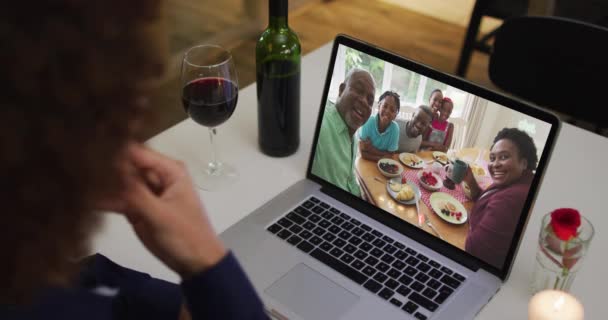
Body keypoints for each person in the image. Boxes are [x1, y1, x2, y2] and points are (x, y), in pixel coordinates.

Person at [0, 1, 267, 319]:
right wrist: (205, 260)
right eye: (124, 105)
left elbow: (93, 282)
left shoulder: (28, 265)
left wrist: (199, 285)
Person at [462, 128, 538, 269]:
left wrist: (471, 225)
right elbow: (486, 199)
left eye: (504, 157)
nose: (495, 164)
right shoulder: (515, 181)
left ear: (524, 163)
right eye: (492, 158)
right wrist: (471, 181)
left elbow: (473, 249)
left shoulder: (512, 198)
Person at [311, 68, 375, 197]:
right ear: (341, 90)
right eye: (359, 90)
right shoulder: (320, 125)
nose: (364, 101)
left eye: (370, 100)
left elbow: (349, 179)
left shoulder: (354, 136)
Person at [358, 91, 401, 162]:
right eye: (385, 106)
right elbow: (362, 153)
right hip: (365, 162)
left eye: (392, 110)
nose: (387, 111)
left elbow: (391, 155)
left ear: (395, 115)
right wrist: (383, 156)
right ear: (379, 106)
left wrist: (372, 149)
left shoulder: (395, 129)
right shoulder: (368, 121)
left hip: (383, 166)